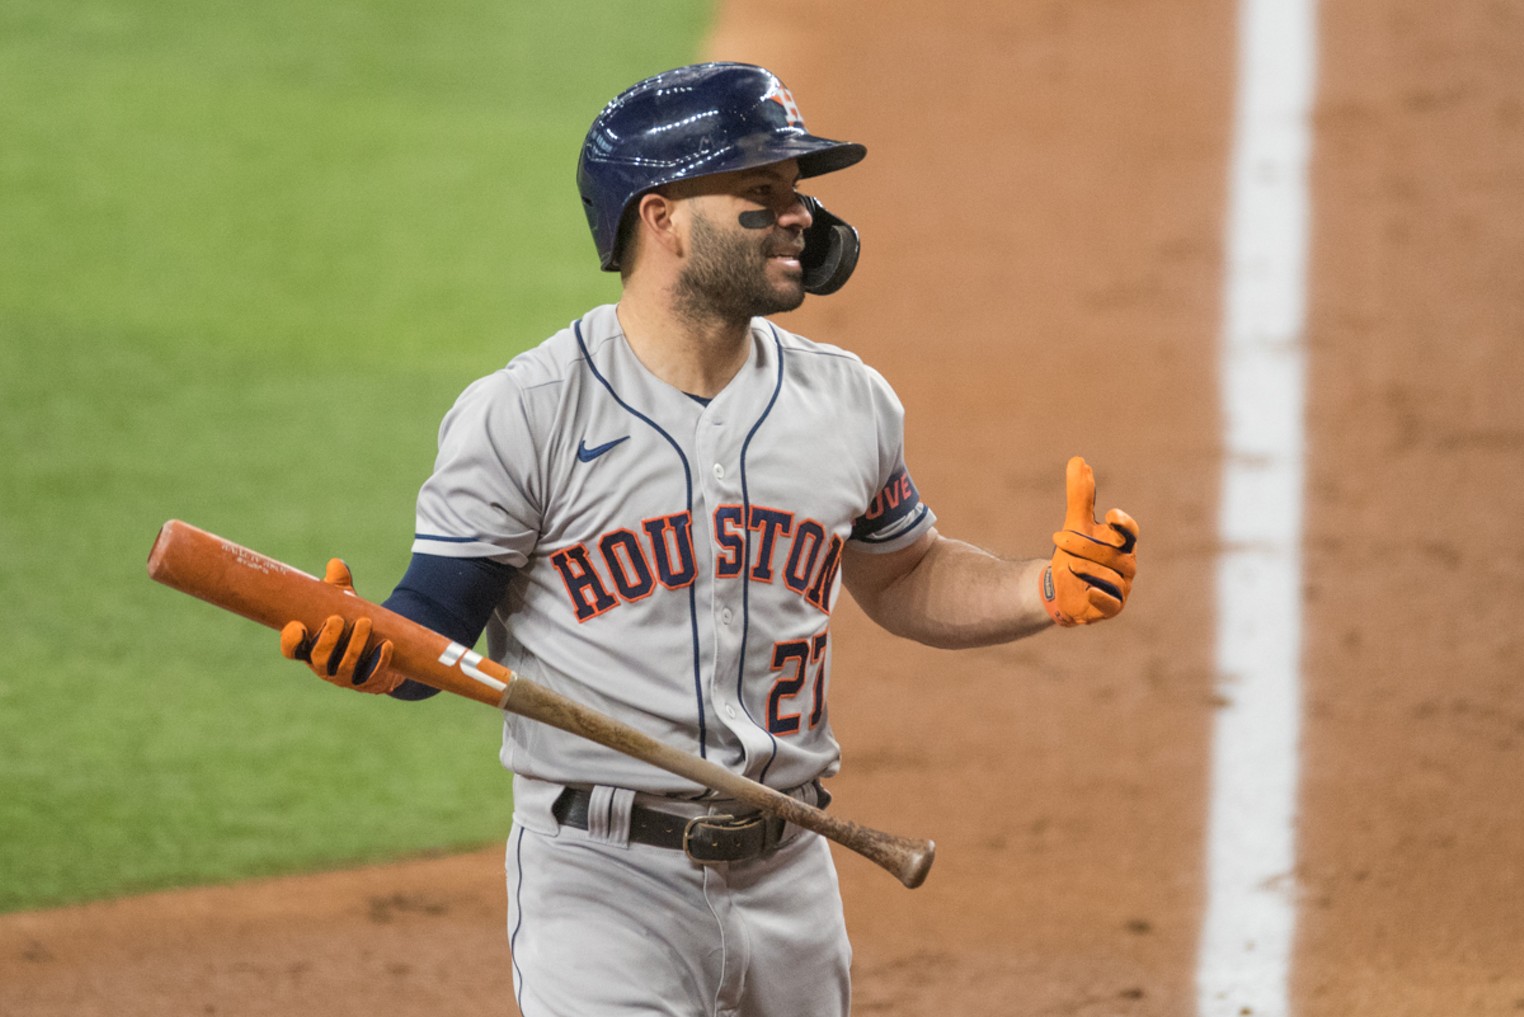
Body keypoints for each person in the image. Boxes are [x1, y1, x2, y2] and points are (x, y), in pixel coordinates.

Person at [279, 62, 1138, 1017]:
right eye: (760, 194)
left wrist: (1042, 590)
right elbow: (427, 628)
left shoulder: (848, 402)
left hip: (793, 875)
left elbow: (906, 575)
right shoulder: (525, 414)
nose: (799, 216)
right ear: (661, 218)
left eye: (797, 192)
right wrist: (366, 649)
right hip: (603, 884)